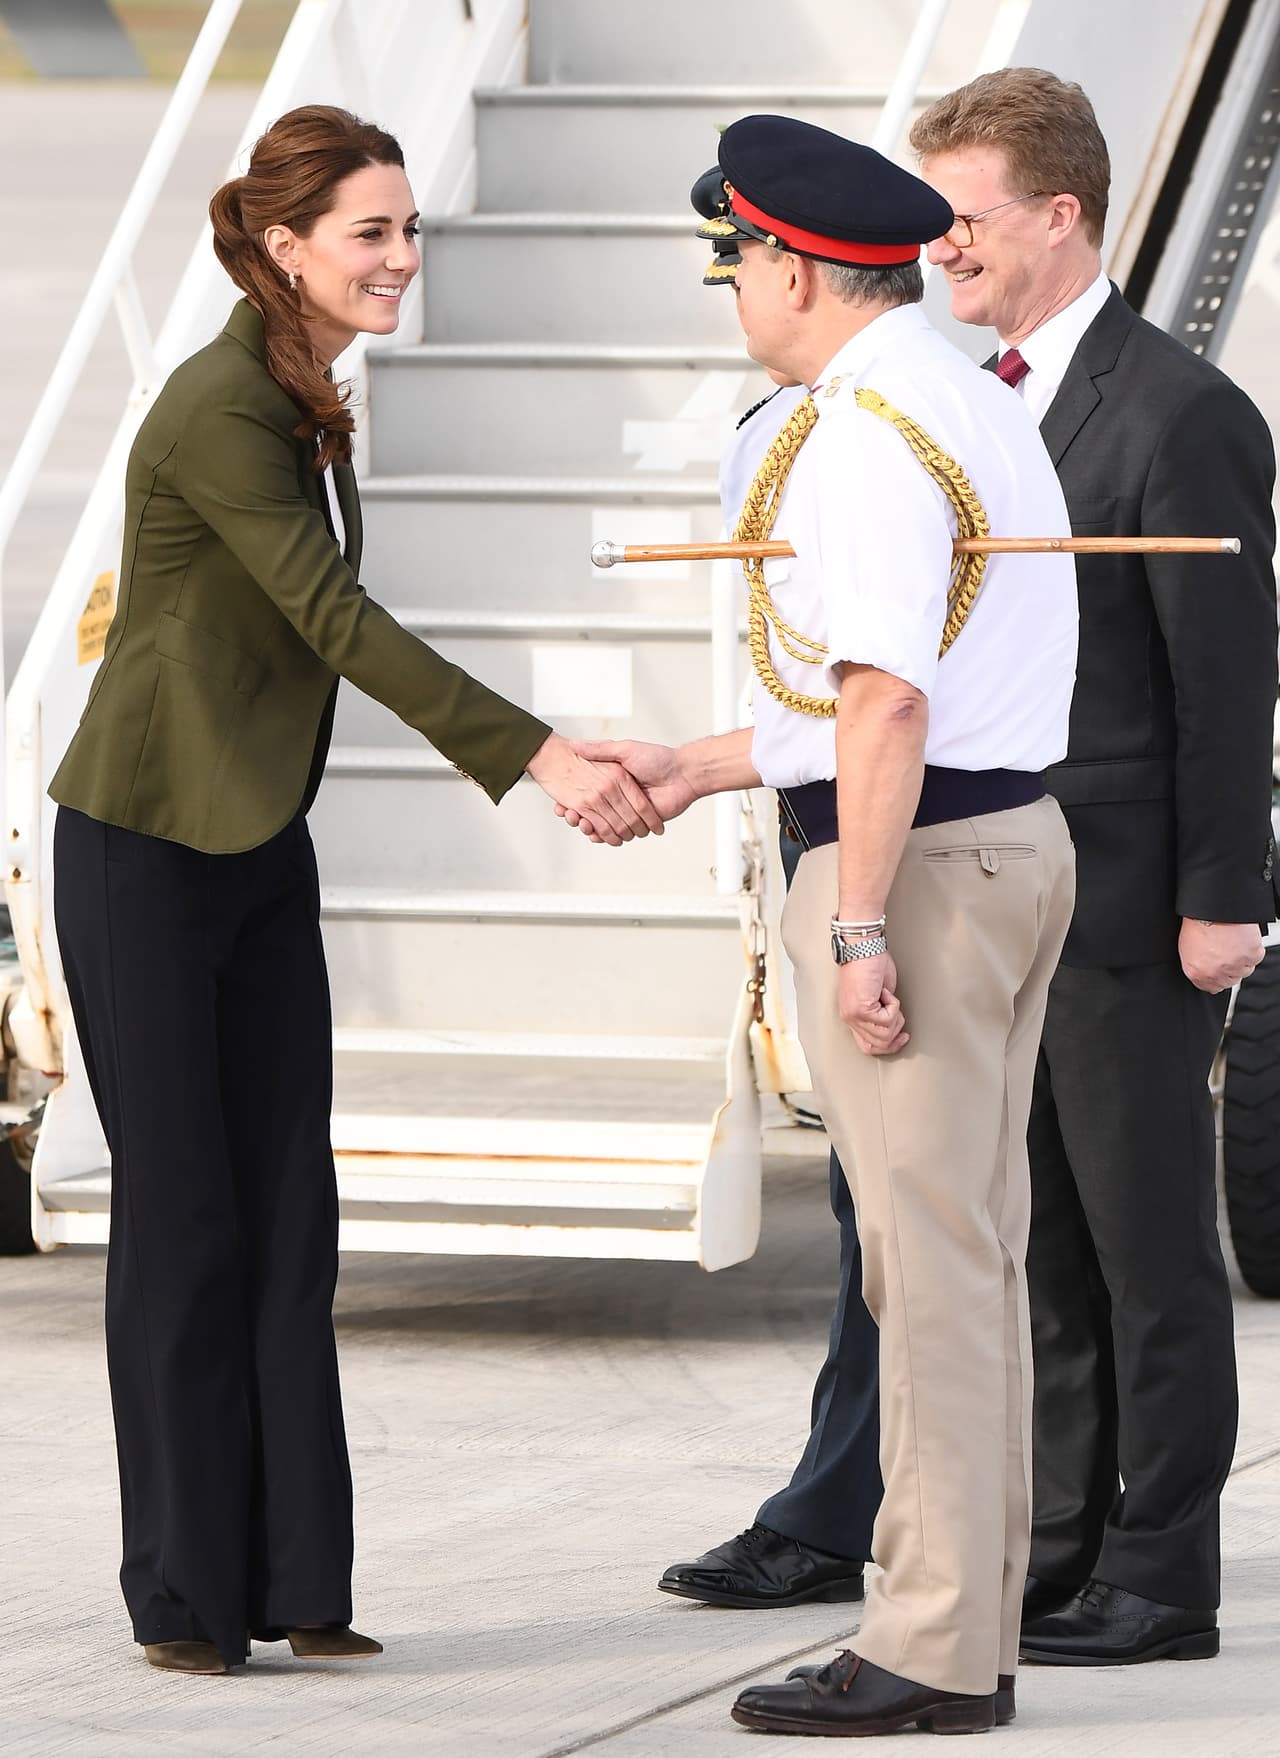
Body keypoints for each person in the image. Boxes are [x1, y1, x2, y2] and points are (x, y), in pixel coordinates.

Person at [48, 103, 661, 1678]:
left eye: (406, 227)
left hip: (256, 843)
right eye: (372, 231)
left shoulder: (299, 389)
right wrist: (535, 754)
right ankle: (185, 1590)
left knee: (290, 1212)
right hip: (145, 850)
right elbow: (334, 615)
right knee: (185, 1218)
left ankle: (297, 1576)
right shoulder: (219, 409)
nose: (403, 254)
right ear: (281, 245)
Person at [570, 113, 1078, 1736]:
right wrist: (700, 764)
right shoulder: (954, 391)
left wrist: (855, 923)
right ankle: (969, 1621)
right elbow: (868, 698)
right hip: (998, 841)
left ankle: (928, 1647)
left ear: (796, 264)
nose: (737, 293)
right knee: (967, 1259)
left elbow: (885, 698)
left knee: (920, 1272)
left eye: (744, 264)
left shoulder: (860, 425)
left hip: (917, 867)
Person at [913, 67, 1278, 1666]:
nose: (941, 248)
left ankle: (1163, 1564)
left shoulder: (1184, 413)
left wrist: (1227, 897)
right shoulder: (964, 396)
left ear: (1060, 215)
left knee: (1146, 1250)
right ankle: (1060, 1537)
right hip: (1005, 893)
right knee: (1039, 1242)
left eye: (966, 217)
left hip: (1133, 902)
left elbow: (1224, 683)